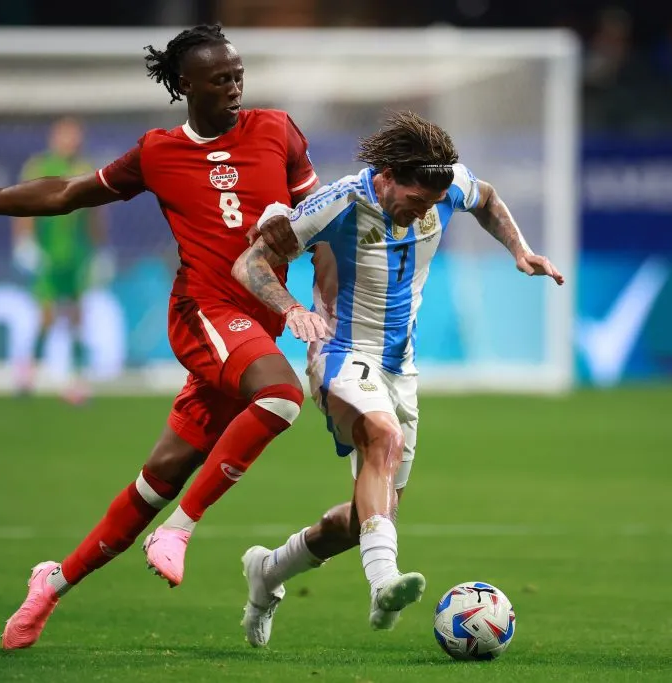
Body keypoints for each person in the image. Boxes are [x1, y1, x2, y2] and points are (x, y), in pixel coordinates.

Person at [0, 24, 319, 649]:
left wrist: (327, 308)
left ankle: (51, 584)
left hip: (256, 326)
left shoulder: (278, 130)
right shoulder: (157, 152)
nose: (235, 88)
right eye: (220, 79)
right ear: (185, 86)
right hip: (205, 313)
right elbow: (65, 193)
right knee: (282, 396)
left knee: (159, 478)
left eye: (238, 75)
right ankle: (181, 530)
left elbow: (319, 219)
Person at [230, 111, 564, 645]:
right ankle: (384, 582)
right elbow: (250, 263)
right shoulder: (340, 202)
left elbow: (488, 199)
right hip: (339, 350)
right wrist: (292, 309)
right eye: (416, 200)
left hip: (399, 365)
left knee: (366, 514)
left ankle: (268, 571)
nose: (425, 211)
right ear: (387, 175)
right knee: (383, 436)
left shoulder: (445, 184)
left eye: (433, 204)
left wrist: (520, 251)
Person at [12, 116, 113, 404]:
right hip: (47, 256)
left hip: (77, 256)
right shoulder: (40, 167)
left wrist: (101, 251)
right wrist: (24, 242)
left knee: (77, 318)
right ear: (54, 138)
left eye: (75, 135)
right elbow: (23, 207)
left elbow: (96, 213)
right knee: (45, 316)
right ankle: (28, 371)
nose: (71, 140)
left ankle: (77, 380)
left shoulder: (86, 169)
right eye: (65, 135)